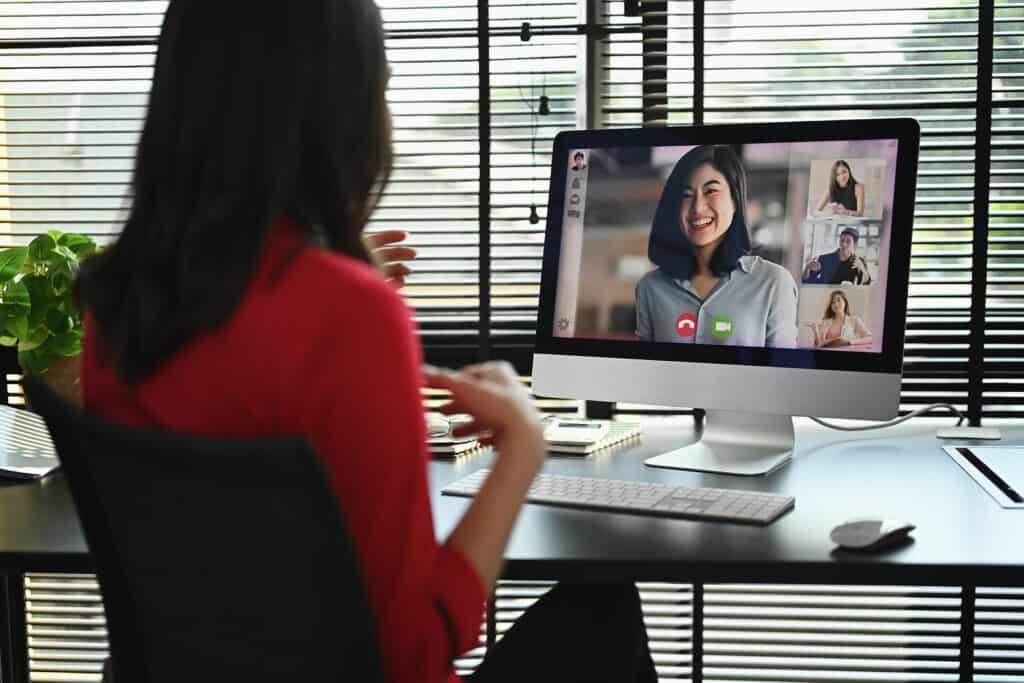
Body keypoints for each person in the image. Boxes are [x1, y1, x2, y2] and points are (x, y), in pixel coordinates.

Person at [75, 4, 655, 683]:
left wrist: (320, 279)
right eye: (379, 88)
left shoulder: (117, 301)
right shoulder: (350, 315)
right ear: (337, 114)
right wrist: (521, 446)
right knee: (603, 607)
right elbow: (410, 652)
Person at [635, 145, 798, 348]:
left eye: (711, 191)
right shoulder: (651, 287)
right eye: (686, 195)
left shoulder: (774, 282)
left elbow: (782, 373)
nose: (697, 207)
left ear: (735, 200)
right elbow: (646, 369)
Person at [802, 226, 873, 285]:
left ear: (855, 245)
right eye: (842, 240)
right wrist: (807, 268)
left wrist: (862, 268)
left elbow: (866, 283)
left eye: (848, 241)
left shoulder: (858, 262)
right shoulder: (824, 259)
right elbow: (806, 281)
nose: (844, 244)